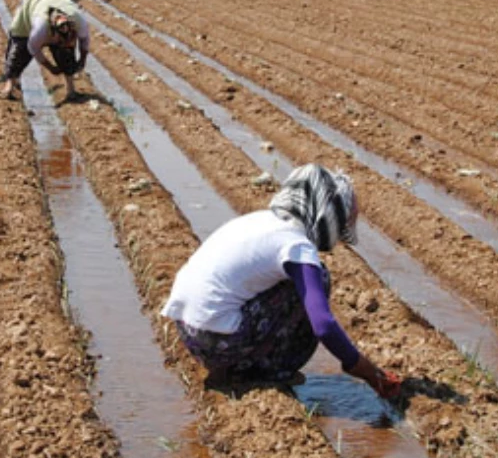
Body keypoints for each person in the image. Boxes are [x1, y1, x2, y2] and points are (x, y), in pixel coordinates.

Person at [161, 164, 403, 400]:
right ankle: (270, 371)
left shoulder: (261, 220)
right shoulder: (296, 246)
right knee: (318, 279)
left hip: (189, 333)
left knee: (292, 282)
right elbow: (323, 325)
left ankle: (242, 362)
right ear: (326, 215)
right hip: (218, 343)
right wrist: (368, 372)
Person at [0, 0, 89, 101]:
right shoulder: (39, 30)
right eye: (62, 42)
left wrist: (82, 60)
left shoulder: (79, 22)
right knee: (18, 52)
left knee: (66, 55)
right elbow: (32, 48)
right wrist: (50, 67)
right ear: (54, 35)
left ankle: (71, 89)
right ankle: (9, 85)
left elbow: (84, 42)